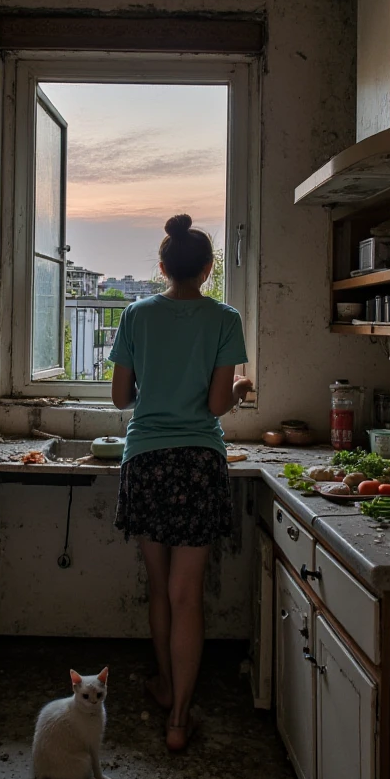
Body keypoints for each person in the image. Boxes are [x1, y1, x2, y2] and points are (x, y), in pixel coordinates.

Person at [109, 214, 252, 751]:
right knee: (187, 594)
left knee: (159, 588)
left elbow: (121, 399)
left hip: (145, 460)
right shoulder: (224, 318)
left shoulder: (135, 315)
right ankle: (179, 722)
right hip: (198, 463)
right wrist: (241, 388)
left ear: (163, 266)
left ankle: (167, 689)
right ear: (210, 269)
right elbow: (217, 404)